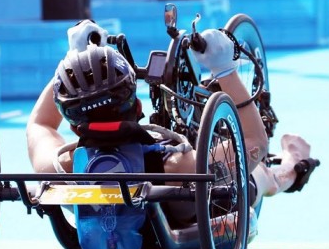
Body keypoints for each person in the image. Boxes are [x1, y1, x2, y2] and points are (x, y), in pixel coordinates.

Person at [26, 20, 312, 218]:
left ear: (73, 122)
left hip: (106, 197)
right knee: (260, 174)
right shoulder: (178, 164)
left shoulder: (61, 169)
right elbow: (254, 143)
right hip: (199, 213)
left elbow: (40, 124)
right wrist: (225, 70)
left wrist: (77, 61)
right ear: (137, 106)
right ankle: (292, 166)